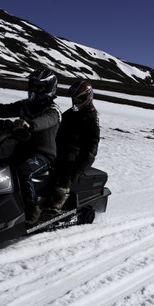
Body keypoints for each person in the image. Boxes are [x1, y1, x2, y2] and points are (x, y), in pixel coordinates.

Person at [0, 67, 61, 224]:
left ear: (49, 88)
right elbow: (3, 109)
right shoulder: (25, 105)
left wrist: (29, 124)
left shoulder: (53, 111)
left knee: (23, 171)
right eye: (33, 85)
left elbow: (44, 121)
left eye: (40, 87)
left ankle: (31, 209)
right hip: (20, 149)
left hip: (42, 155)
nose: (35, 89)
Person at [49, 80, 100, 212]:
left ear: (87, 97)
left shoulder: (91, 117)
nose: (76, 101)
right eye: (74, 99)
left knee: (66, 167)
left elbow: (93, 144)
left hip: (75, 154)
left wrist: (81, 167)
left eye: (79, 98)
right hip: (58, 148)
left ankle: (58, 202)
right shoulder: (71, 112)